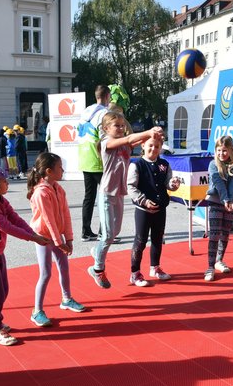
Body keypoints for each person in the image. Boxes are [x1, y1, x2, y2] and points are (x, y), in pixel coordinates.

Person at [0, 165, 50, 345]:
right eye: (4, 181)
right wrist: (32, 238)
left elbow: (14, 218)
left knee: (2, 290)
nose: (7, 183)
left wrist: (33, 233)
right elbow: (7, 227)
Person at [87, 112, 163, 289]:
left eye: (122, 125)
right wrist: (149, 131)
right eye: (116, 126)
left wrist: (155, 134)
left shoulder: (126, 144)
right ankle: (97, 269)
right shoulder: (107, 143)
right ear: (106, 129)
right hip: (106, 193)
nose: (121, 128)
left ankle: (98, 252)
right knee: (107, 235)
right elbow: (130, 139)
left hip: (119, 194)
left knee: (115, 232)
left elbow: (137, 141)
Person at [26, 153, 87, 326]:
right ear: (49, 171)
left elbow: (66, 215)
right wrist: (59, 242)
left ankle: (66, 299)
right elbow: (48, 219)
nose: (63, 170)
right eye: (60, 167)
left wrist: (68, 238)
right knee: (45, 273)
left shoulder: (59, 189)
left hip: (57, 236)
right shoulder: (40, 193)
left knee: (64, 268)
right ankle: (37, 311)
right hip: (43, 238)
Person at [127, 134, 181, 286]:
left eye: (157, 146)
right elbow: (131, 187)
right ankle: (135, 273)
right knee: (140, 241)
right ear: (142, 146)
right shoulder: (136, 164)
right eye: (150, 145)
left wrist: (173, 184)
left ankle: (155, 267)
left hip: (160, 208)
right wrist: (143, 201)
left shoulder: (164, 164)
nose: (153, 149)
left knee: (158, 239)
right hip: (143, 210)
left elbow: (168, 182)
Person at [204, 135, 233, 282]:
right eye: (219, 150)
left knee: (225, 233)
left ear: (231, 150)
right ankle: (210, 267)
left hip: (229, 202)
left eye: (225, 150)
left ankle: (220, 260)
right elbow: (218, 183)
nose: (221, 154)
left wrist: (231, 200)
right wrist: (225, 199)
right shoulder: (213, 164)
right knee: (214, 234)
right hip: (215, 201)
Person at [77, 85, 112, 242]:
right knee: (106, 197)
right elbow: (105, 136)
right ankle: (102, 233)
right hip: (98, 159)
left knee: (89, 197)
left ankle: (86, 231)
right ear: (106, 96)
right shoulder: (104, 113)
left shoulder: (85, 111)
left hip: (85, 157)